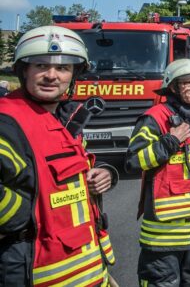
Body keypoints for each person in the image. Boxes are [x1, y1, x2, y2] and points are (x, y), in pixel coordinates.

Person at [0, 26, 118, 286]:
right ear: (24, 70)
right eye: (41, 65)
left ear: (74, 75)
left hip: (85, 269)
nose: (52, 76)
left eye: (63, 68)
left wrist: (104, 174)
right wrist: (24, 218)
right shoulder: (7, 122)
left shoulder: (61, 120)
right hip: (32, 271)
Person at [125, 59, 190, 286]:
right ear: (172, 87)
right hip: (165, 239)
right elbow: (133, 161)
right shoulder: (155, 118)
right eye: (186, 83)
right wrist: (170, 141)